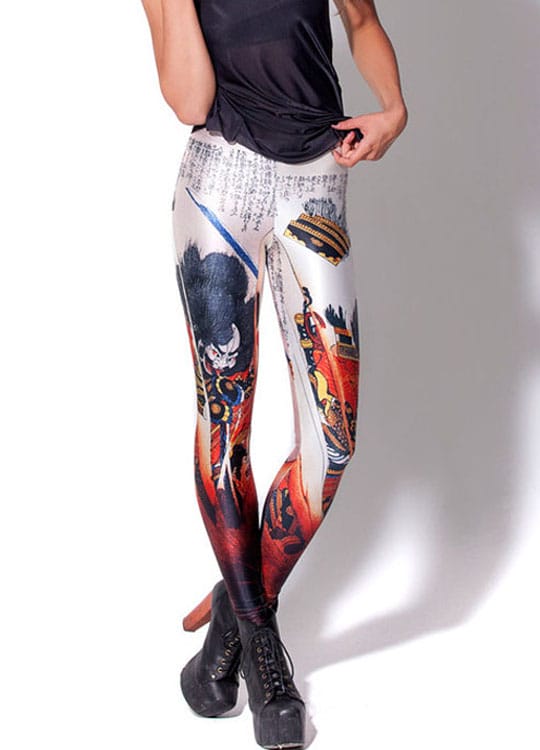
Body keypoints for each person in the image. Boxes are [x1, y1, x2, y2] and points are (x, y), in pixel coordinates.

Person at [141, 1, 407, 747]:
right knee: (225, 417)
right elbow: (189, 100)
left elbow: (361, 20)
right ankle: (265, 655)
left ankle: (231, 612)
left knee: (334, 442)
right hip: (221, 179)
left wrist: (394, 107)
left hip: (317, 181)